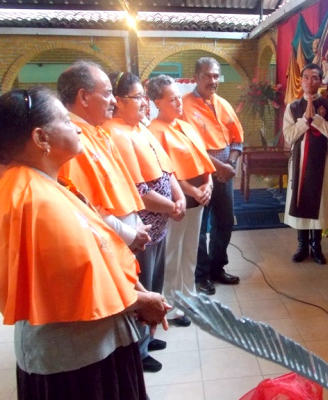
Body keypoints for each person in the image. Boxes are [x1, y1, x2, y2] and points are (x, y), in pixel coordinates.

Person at [0, 87, 169, 400]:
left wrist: (138, 293)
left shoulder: (40, 183)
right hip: (74, 357)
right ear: (41, 138)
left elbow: (97, 251)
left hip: (90, 344)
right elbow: (72, 279)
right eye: (65, 121)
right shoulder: (31, 198)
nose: (76, 128)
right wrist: (141, 301)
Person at [102, 71, 186, 372]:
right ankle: (138, 350)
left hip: (160, 225)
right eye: (138, 97)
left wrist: (179, 197)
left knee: (154, 282)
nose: (144, 103)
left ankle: (148, 338)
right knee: (143, 288)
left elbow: (166, 169)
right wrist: (172, 206)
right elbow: (138, 190)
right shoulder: (115, 133)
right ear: (118, 101)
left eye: (143, 97)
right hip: (142, 229)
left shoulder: (140, 128)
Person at [57, 61, 150, 253]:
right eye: (107, 94)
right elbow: (86, 204)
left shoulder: (97, 131)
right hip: (109, 241)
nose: (114, 101)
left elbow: (121, 186)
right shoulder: (71, 141)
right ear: (84, 97)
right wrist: (130, 234)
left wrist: (136, 224)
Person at [147, 75, 216, 324]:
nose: (179, 103)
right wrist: (192, 191)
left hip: (199, 196)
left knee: (190, 250)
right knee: (172, 253)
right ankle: (171, 303)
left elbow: (203, 158)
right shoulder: (154, 132)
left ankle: (189, 295)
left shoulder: (185, 125)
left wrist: (208, 183)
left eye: (179, 98)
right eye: (172, 99)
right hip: (176, 200)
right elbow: (168, 172)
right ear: (157, 102)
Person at [181, 57, 243, 295]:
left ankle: (218, 268)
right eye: (207, 75)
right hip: (199, 176)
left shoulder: (223, 104)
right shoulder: (184, 106)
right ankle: (201, 275)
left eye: (216, 75)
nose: (213, 80)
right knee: (199, 227)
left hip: (224, 174)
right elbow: (190, 146)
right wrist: (218, 167)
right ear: (196, 77)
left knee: (224, 222)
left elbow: (237, 139)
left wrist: (231, 164)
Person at [283, 63, 328, 264]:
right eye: (306, 77)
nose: (310, 81)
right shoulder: (292, 107)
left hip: (321, 164)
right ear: (301, 80)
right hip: (299, 162)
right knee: (299, 199)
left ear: (320, 81)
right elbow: (289, 136)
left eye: (315, 77)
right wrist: (304, 121)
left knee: (320, 202)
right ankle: (302, 245)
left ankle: (317, 246)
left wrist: (316, 119)